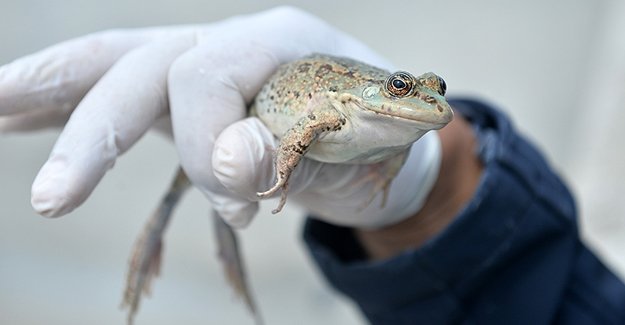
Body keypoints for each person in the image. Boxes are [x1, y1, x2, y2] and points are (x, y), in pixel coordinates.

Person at [1, 7, 624, 324]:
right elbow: (307, 128)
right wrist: (290, 161)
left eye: (432, 91)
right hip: (272, 105)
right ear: (386, 87)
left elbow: (416, 132)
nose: (429, 104)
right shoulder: (347, 106)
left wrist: (425, 192)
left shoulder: (402, 128)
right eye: (409, 88)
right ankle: (153, 248)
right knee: (187, 169)